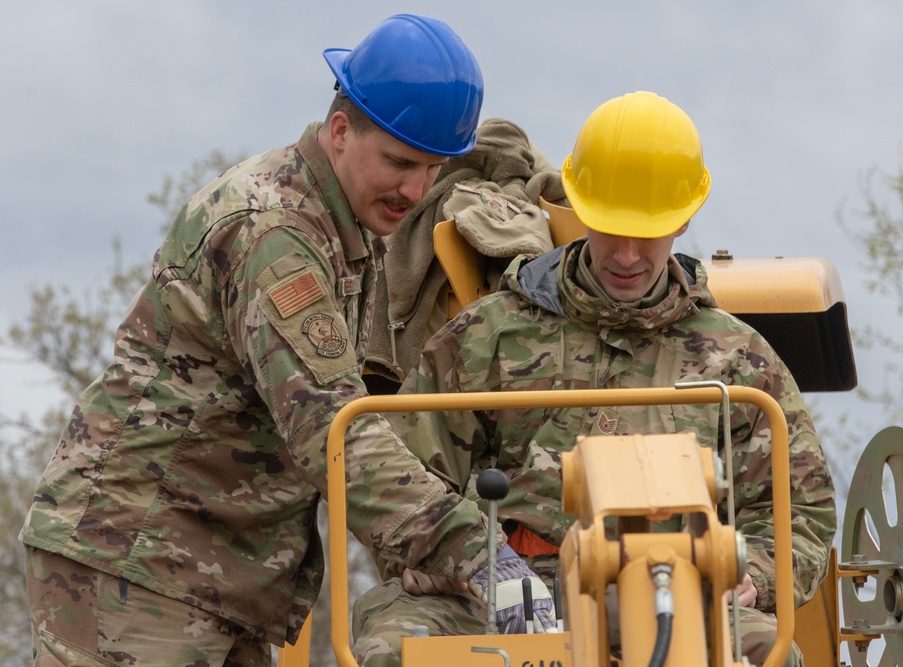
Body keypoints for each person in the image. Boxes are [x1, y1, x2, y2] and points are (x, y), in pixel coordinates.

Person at [20, 14, 553, 667]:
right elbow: (333, 429)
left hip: (218, 574)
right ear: (339, 131)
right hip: (134, 563)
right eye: (399, 162)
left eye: (432, 171)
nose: (415, 192)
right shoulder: (275, 232)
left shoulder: (346, 229)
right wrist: (475, 549)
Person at [351, 91, 836, 667]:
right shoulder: (486, 337)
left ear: (683, 220)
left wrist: (749, 576)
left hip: (677, 592)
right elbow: (406, 477)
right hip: (500, 589)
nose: (627, 255)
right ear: (580, 207)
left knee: (771, 658)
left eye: (648, 232)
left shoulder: (740, 361)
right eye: (610, 227)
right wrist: (455, 564)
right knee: (394, 650)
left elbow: (798, 511)